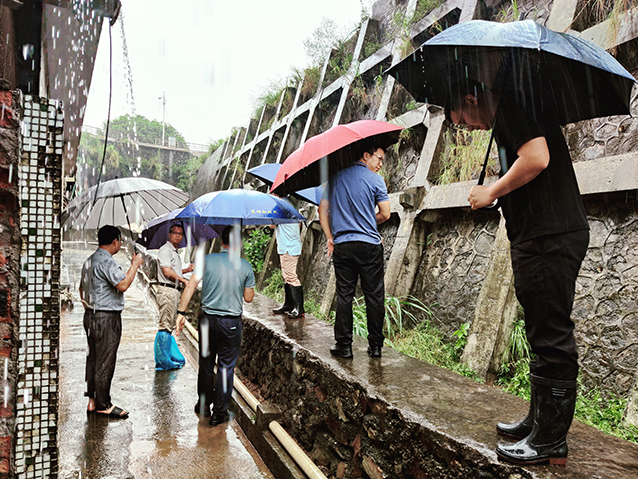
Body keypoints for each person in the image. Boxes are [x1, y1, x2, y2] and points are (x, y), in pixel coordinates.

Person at [447, 81, 589, 465]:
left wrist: (492, 190)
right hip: (540, 235)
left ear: (471, 98)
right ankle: (539, 421)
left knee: (551, 334)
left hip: (549, 236)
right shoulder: (514, 108)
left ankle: (550, 441)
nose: (469, 128)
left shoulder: (513, 104)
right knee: (539, 331)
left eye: (462, 119)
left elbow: (537, 158)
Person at [175, 225, 255, 426]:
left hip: (207, 320)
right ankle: (220, 412)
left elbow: (192, 284)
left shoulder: (208, 260)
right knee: (226, 367)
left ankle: (203, 406)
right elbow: (249, 298)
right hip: (231, 324)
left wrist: (181, 313)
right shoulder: (245, 266)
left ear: (222, 241)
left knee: (206, 364)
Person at [318, 141, 391, 359]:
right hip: (369, 246)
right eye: (379, 158)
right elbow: (385, 214)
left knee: (344, 296)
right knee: (375, 296)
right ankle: (376, 347)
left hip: (343, 246)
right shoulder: (376, 180)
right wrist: (368, 222)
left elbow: (322, 210)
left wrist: (330, 237)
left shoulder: (336, 178)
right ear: (366, 155)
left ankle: (344, 346)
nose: (380, 164)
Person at [79, 225, 144, 419]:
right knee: (105, 359)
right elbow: (123, 285)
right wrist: (135, 265)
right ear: (114, 241)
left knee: (93, 357)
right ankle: (103, 404)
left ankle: (92, 400)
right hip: (107, 317)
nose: (121, 244)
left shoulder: (89, 261)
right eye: (120, 241)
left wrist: (91, 309)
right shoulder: (107, 262)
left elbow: (81, 290)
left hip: (90, 315)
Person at [154, 223, 193, 370]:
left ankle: (166, 356)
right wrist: (183, 280)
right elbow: (167, 272)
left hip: (173, 291)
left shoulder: (174, 252)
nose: (178, 235)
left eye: (180, 233)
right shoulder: (165, 250)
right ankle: (163, 361)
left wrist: (186, 270)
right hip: (167, 291)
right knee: (165, 326)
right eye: (175, 232)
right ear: (169, 234)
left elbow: (174, 270)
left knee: (169, 325)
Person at [270, 203, 304, 319]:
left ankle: (299, 309)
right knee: (287, 276)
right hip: (290, 246)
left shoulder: (279, 210)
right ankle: (289, 305)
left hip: (288, 247)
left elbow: (270, 225)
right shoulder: (293, 209)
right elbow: (299, 226)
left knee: (290, 276)